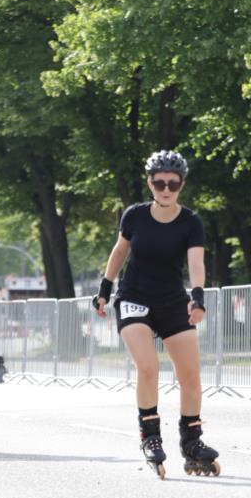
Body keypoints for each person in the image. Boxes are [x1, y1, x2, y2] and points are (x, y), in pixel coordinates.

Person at [93, 150, 220, 478]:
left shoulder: (191, 222)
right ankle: (150, 437)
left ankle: (192, 442)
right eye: (159, 182)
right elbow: (120, 251)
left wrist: (198, 298)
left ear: (181, 185)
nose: (166, 189)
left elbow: (195, 263)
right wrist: (105, 289)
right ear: (149, 182)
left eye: (173, 184)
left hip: (172, 301)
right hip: (133, 298)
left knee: (190, 376)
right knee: (148, 367)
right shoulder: (134, 215)